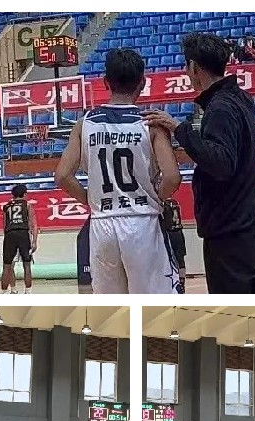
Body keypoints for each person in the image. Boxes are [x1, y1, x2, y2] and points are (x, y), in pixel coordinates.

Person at [144, 32, 255, 294]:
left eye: (186, 66)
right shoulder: (240, 99)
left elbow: (221, 163)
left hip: (232, 238)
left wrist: (179, 129)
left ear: (194, 66)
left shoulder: (220, 108)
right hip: (254, 230)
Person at [56, 48, 182, 294]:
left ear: (106, 82)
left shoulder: (85, 123)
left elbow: (62, 176)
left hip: (102, 224)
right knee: (154, 306)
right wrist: (154, 198)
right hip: (142, 222)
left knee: (112, 308)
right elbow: (172, 177)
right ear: (142, 83)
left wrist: (91, 201)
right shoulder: (152, 123)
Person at [0, 184, 38, 294]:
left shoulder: (6, 206)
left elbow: (4, 225)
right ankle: (28, 291)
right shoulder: (27, 205)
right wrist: (34, 241)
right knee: (27, 264)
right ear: (25, 194)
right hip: (23, 233)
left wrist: (7, 238)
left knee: (7, 266)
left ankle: (4, 292)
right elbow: (34, 225)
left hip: (10, 234)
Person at [163, 197, 187, 293]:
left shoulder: (164, 203)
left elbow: (166, 222)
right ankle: (181, 282)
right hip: (179, 232)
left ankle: (175, 282)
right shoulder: (174, 202)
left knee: (171, 259)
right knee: (181, 260)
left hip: (170, 233)